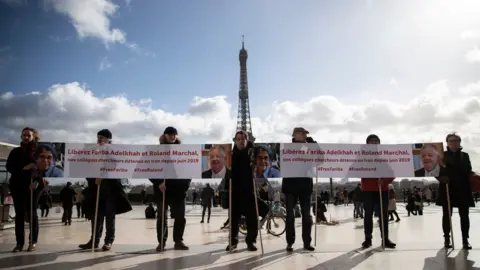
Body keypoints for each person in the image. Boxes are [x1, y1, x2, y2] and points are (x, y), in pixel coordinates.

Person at [79, 129, 132, 251]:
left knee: (109, 216)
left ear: (109, 139)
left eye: (102, 137)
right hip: (96, 188)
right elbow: (87, 166)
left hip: (110, 189)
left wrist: (101, 174)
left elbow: (114, 165)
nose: (99, 139)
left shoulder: (113, 151)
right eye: (98, 137)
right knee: (96, 216)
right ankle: (94, 240)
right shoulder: (93, 151)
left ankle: (108, 241)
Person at [149, 126, 191, 252]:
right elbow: (148, 169)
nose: (172, 136)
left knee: (180, 217)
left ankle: (178, 241)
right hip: (162, 188)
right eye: (169, 134)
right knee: (162, 218)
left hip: (179, 190)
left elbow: (188, 170)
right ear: (164, 135)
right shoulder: (156, 151)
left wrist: (185, 186)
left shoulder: (183, 151)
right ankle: (161, 242)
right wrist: (158, 182)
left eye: (174, 134)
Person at [436, 133, 474, 250]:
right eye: (451, 141)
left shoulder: (464, 156)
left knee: (464, 216)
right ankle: (447, 238)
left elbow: (468, 170)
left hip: (462, 188)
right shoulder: (441, 156)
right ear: (447, 143)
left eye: (456, 140)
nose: (454, 143)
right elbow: (435, 171)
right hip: (447, 188)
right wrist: (441, 178)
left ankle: (465, 239)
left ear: (460, 142)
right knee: (447, 215)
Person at [282, 127, 316, 252]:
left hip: (305, 186)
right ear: (295, 135)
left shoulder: (310, 147)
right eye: (302, 133)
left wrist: (313, 144)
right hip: (290, 186)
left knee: (307, 216)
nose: (304, 135)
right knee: (290, 216)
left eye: (305, 133)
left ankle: (307, 242)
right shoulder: (287, 148)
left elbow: (320, 160)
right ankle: (290, 242)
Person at [360, 134, 396, 249]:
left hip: (382, 189)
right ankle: (368, 239)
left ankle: (385, 239)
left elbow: (392, 174)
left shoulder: (384, 157)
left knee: (383, 215)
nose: (374, 143)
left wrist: (385, 181)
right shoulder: (362, 157)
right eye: (372, 141)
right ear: (367, 144)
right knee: (368, 215)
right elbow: (355, 170)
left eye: (376, 141)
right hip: (368, 190)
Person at [225, 130, 258, 252]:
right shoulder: (230, 155)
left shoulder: (253, 154)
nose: (240, 141)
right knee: (233, 219)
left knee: (252, 219)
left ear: (247, 140)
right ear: (235, 141)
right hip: (235, 191)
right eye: (237, 139)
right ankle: (233, 241)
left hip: (249, 190)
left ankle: (251, 241)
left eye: (242, 139)